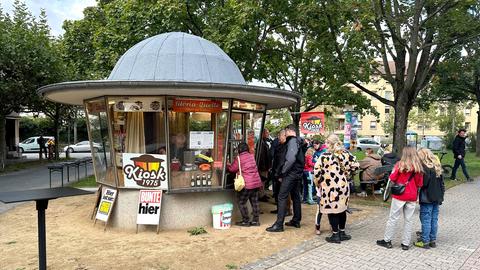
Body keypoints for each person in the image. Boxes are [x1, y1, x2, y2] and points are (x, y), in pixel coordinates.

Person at [314, 134, 359, 243]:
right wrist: (348, 175)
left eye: (326, 142)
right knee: (342, 209)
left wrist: (318, 183)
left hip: (329, 188)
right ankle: (342, 232)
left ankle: (335, 235)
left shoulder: (324, 156)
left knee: (332, 210)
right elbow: (356, 165)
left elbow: (316, 172)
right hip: (343, 186)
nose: (325, 144)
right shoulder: (346, 154)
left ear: (330, 143)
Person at [377, 146, 424, 250]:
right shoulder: (418, 167)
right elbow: (420, 183)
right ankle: (405, 243)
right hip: (412, 195)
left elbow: (392, 178)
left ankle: (387, 240)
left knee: (393, 218)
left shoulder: (399, 165)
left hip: (400, 194)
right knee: (408, 220)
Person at [266, 124, 303, 232]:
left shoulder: (292, 141)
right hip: (297, 173)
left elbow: (290, 159)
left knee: (282, 196)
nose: (285, 134)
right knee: (296, 196)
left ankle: (279, 224)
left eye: (285, 132)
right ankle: (296, 220)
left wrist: (282, 172)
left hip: (290, 174)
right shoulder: (299, 141)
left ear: (289, 131)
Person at [414, 148, 445, 249]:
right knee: (434, 219)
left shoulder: (425, 168)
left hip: (427, 197)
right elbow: (442, 184)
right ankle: (433, 240)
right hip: (437, 197)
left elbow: (424, 183)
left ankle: (425, 241)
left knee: (426, 219)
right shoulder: (437, 166)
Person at [227, 142, 263, 226]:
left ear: (239, 149)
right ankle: (255, 221)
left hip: (247, 184)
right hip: (256, 182)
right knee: (255, 202)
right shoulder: (251, 156)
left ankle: (245, 221)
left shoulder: (239, 158)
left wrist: (228, 165)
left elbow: (232, 169)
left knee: (241, 202)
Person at [258, 129, 273, 202]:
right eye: (267, 133)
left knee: (264, 181)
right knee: (262, 181)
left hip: (266, 166)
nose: (268, 134)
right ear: (263, 134)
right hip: (263, 166)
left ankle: (263, 194)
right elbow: (261, 156)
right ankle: (261, 195)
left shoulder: (264, 142)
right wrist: (264, 167)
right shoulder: (261, 143)